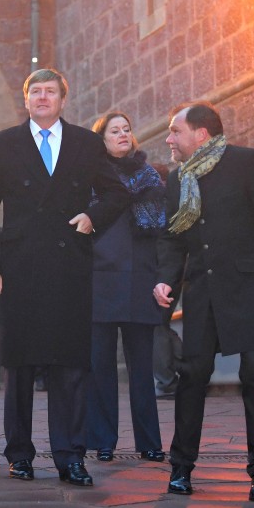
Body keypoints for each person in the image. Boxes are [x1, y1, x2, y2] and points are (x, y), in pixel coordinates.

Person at [0, 68, 128, 487]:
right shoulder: (3, 144)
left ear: (64, 99)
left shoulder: (85, 142)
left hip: (69, 267)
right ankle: (19, 454)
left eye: (50, 92)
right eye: (35, 92)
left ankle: (70, 456)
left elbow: (117, 192)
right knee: (20, 366)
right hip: (19, 266)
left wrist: (91, 217)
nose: (43, 98)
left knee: (69, 367)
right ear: (25, 100)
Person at [152, 101, 254, 502]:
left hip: (251, 290)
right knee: (192, 376)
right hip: (203, 294)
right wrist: (166, 281)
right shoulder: (177, 178)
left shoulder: (248, 162)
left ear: (201, 134)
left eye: (175, 131)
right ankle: (181, 468)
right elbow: (172, 238)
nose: (169, 139)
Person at [87, 111, 166, 464]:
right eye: (113, 131)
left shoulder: (151, 177)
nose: (122, 134)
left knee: (142, 367)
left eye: (126, 129)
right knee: (100, 365)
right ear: (101, 140)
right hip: (100, 278)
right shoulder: (90, 178)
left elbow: (163, 234)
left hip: (140, 278)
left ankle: (149, 441)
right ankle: (103, 439)